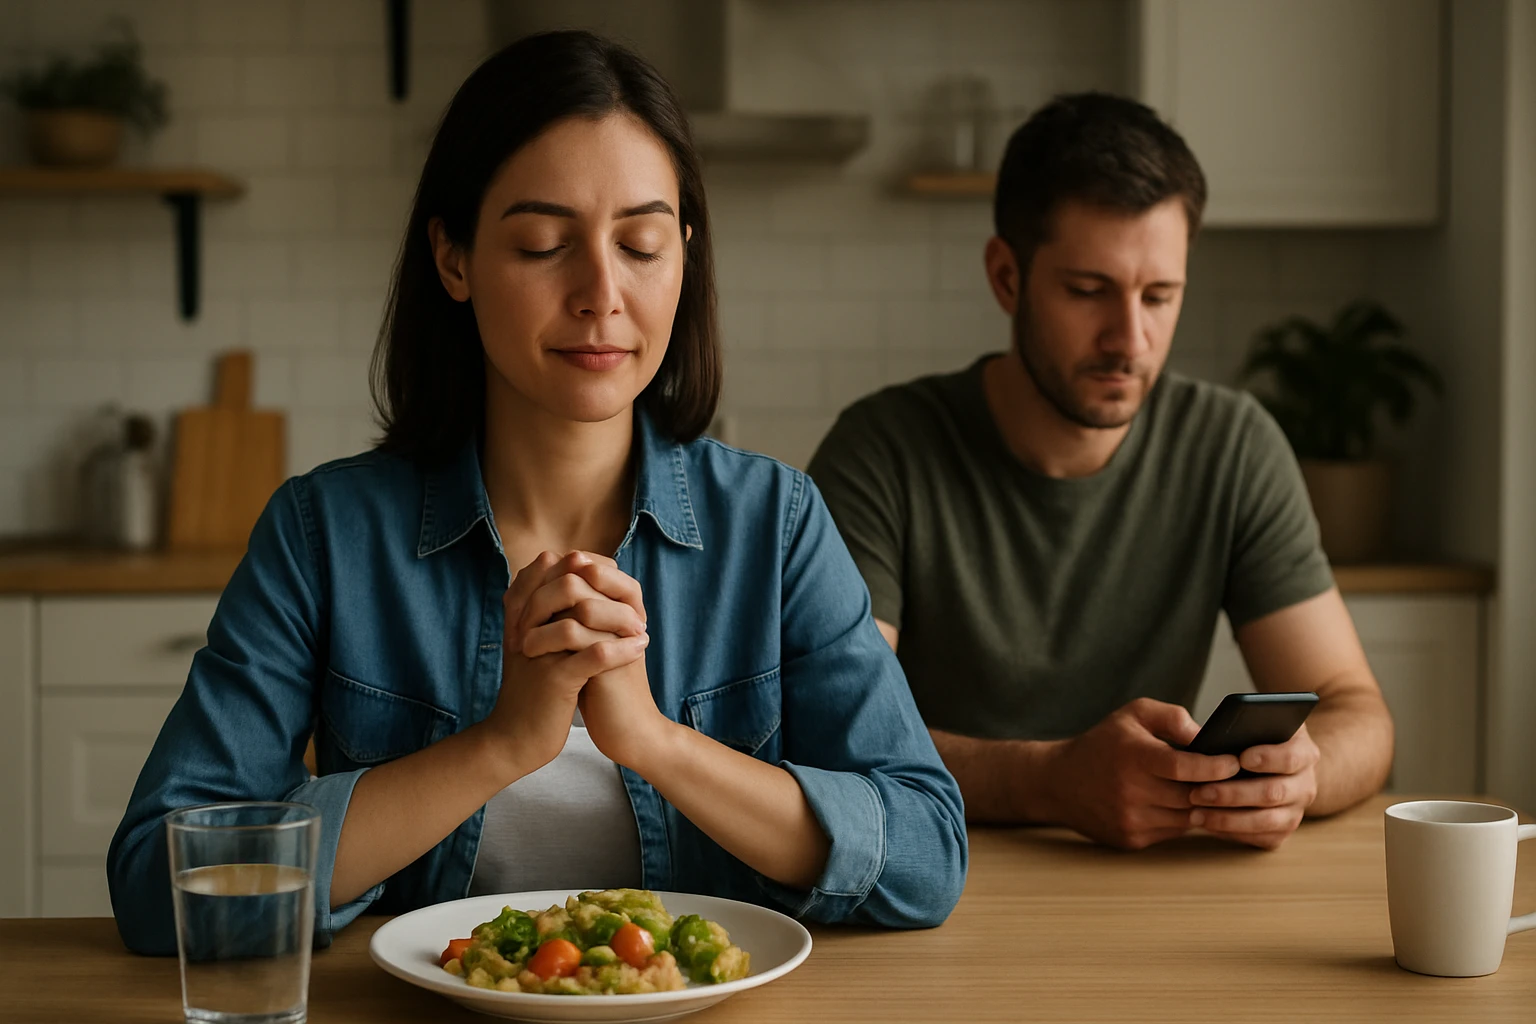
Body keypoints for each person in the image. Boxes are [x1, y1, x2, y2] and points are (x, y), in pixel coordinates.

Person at [108, 31, 966, 955]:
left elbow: (924, 853)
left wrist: (655, 741)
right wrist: (503, 742)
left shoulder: (777, 524)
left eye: (640, 244)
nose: (601, 292)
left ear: (684, 255)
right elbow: (164, 883)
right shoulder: (324, 534)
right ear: (454, 258)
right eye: (544, 244)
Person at [807, 93, 1393, 852]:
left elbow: (1360, 715)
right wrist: (1049, 781)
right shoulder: (883, 450)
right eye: (1088, 292)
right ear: (1006, 277)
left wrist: (1301, 775)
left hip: (1152, 892)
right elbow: (830, 731)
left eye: (1160, 295)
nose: (1131, 338)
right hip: (933, 874)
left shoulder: (1232, 445)